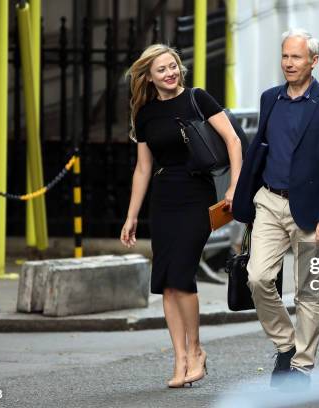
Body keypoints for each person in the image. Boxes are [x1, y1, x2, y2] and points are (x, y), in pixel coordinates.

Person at [232, 28, 319, 388]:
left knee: (308, 293)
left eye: (296, 57)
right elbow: (261, 149)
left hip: (311, 211)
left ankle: (301, 367)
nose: (288, 63)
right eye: (285, 56)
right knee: (257, 277)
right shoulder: (270, 98)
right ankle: (286, 343)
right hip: (269, 201)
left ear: (313, 61)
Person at [120, 44, 243, 388]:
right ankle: (179, 359)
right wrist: (131, 216)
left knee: (182, 275)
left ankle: (197, 350)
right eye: (162, 70)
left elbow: (232, 140)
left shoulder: (197, 99)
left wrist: (234, 187)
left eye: (173, 66)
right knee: (166, 284)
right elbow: (143, 169)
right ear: (149, 76)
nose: (170, 73)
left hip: (196, 193)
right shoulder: (144, 114)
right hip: (164, 196)